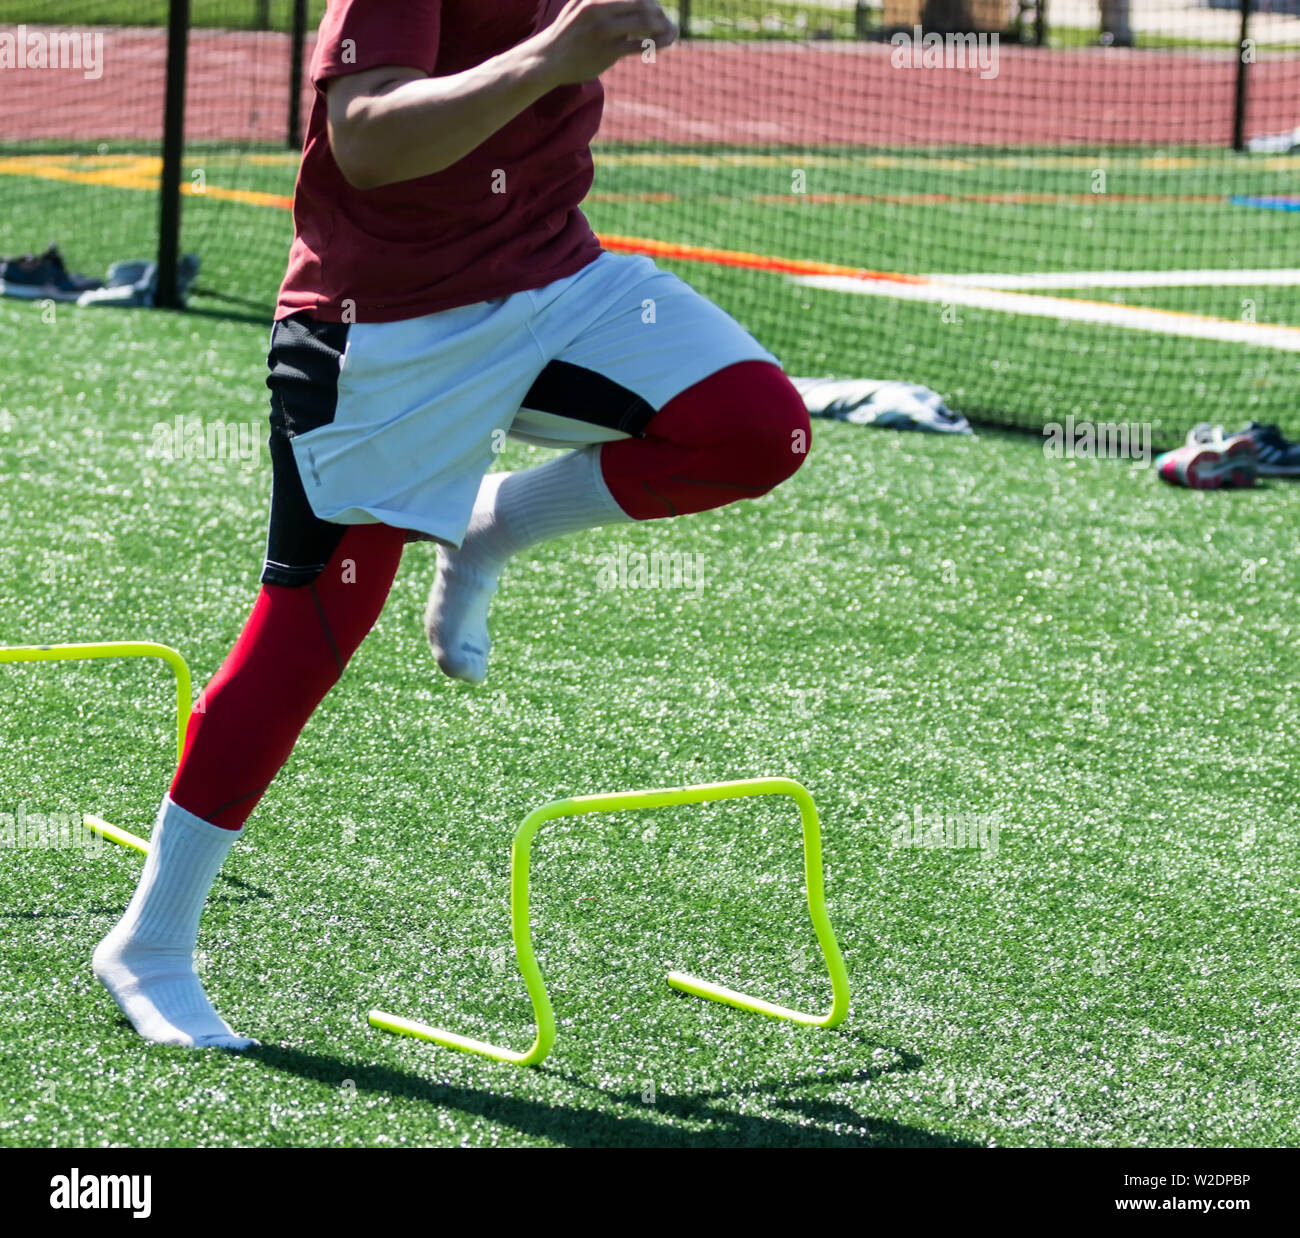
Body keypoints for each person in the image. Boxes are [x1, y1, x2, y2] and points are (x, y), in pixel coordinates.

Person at [92, 0, 812, 1048]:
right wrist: (551, 56)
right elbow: (369, 139)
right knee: (308, 635)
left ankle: (492, 524)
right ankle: (149, 944)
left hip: (560, 281)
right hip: (378, 327)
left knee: (756, 430)